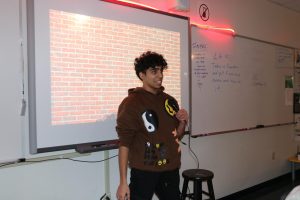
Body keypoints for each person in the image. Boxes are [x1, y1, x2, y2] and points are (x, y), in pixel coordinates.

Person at [116, 51, 189, 200]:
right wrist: (123, 182)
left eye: (161, 70)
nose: (160, 75)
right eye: (154, 71)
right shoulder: (131, 103)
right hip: (144, 171)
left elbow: (178, 134)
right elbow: (124, 144)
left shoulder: (169, 100)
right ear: (142, 75)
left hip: (170, 169)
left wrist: (182, 122)